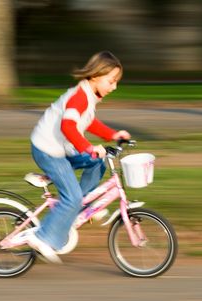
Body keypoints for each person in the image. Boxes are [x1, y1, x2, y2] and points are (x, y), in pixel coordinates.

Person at [27, 51, 131, 263]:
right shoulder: (79, 98)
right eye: (111, 81)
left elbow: (89, 122)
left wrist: (112, 135)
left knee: (97, 161)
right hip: (48, 150)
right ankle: (43, 238)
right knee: (71, 197)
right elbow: (68, 126)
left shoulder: (89, 96)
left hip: (60, 148)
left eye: (116, 82)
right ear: (95, 76)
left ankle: (81, 207)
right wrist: (88, 147)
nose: (114, 87)